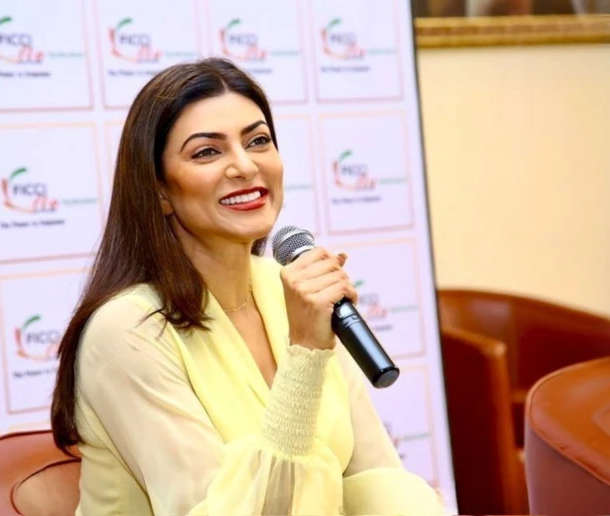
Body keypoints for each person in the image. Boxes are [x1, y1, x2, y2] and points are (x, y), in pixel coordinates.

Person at [50, 57, 449, 516]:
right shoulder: (127, 330)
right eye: (207, 152)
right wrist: (305, 354)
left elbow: (375, 477)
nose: (244, 166)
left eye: (258, 141)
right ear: (159, 190)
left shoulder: (290, 289)